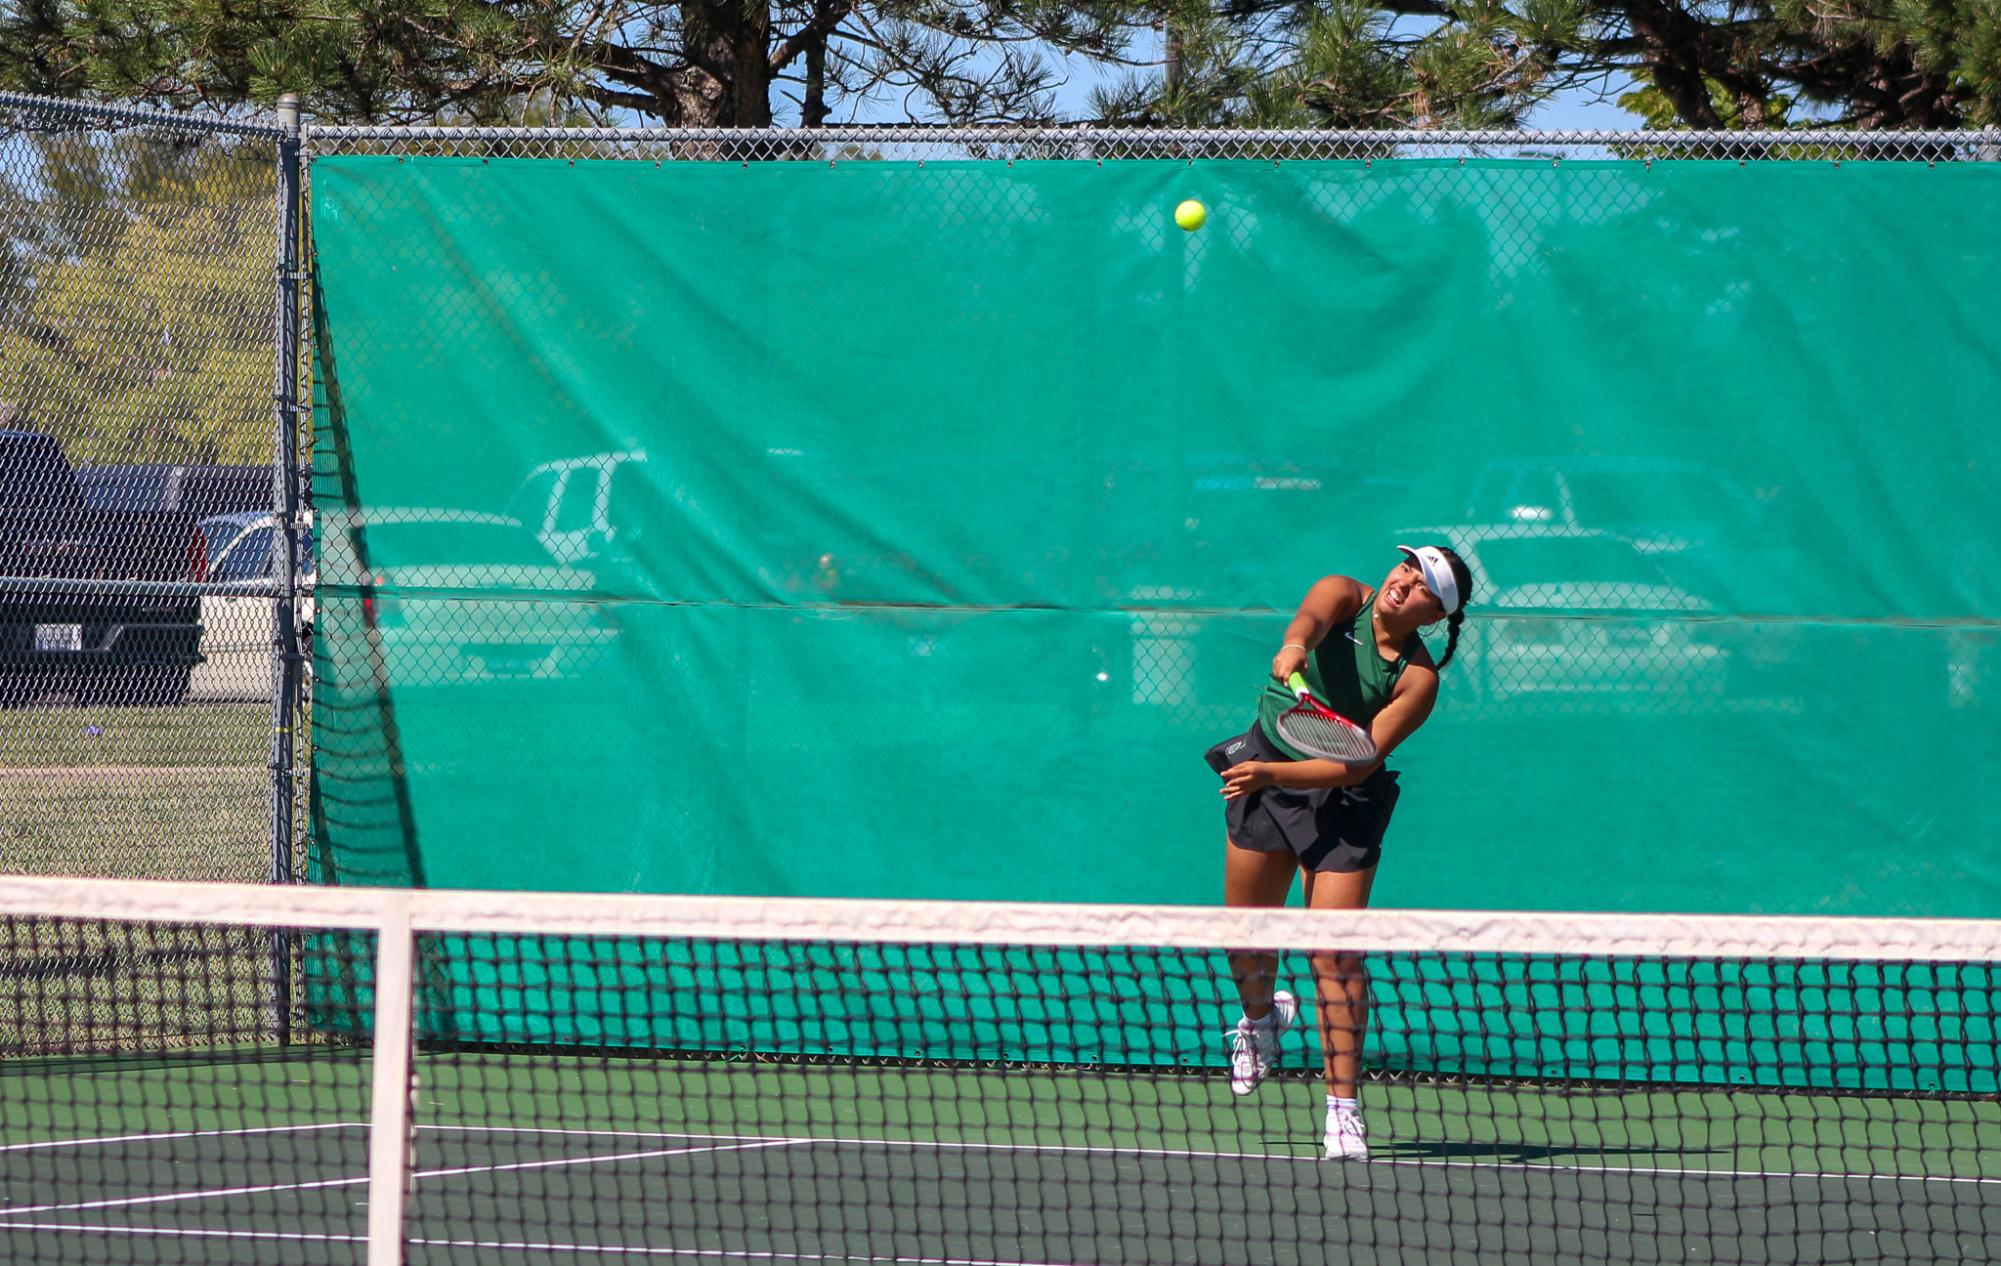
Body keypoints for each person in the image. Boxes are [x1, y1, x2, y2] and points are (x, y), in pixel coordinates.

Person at [1203, 544, 1473, 1161]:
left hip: (1342, 798)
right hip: (1267, 768)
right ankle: (1261, 1019)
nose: (1406, 580)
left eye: (1425, 584)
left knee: (1335, 957)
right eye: (1407, 566)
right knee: (1245, 935)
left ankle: (1343, 1112)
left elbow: (1354, 765)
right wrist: (1296, 646)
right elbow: (1308, 621)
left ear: (1434, 615)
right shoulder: (1343, 594)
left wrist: (1272, 775)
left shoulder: (1417, 680)